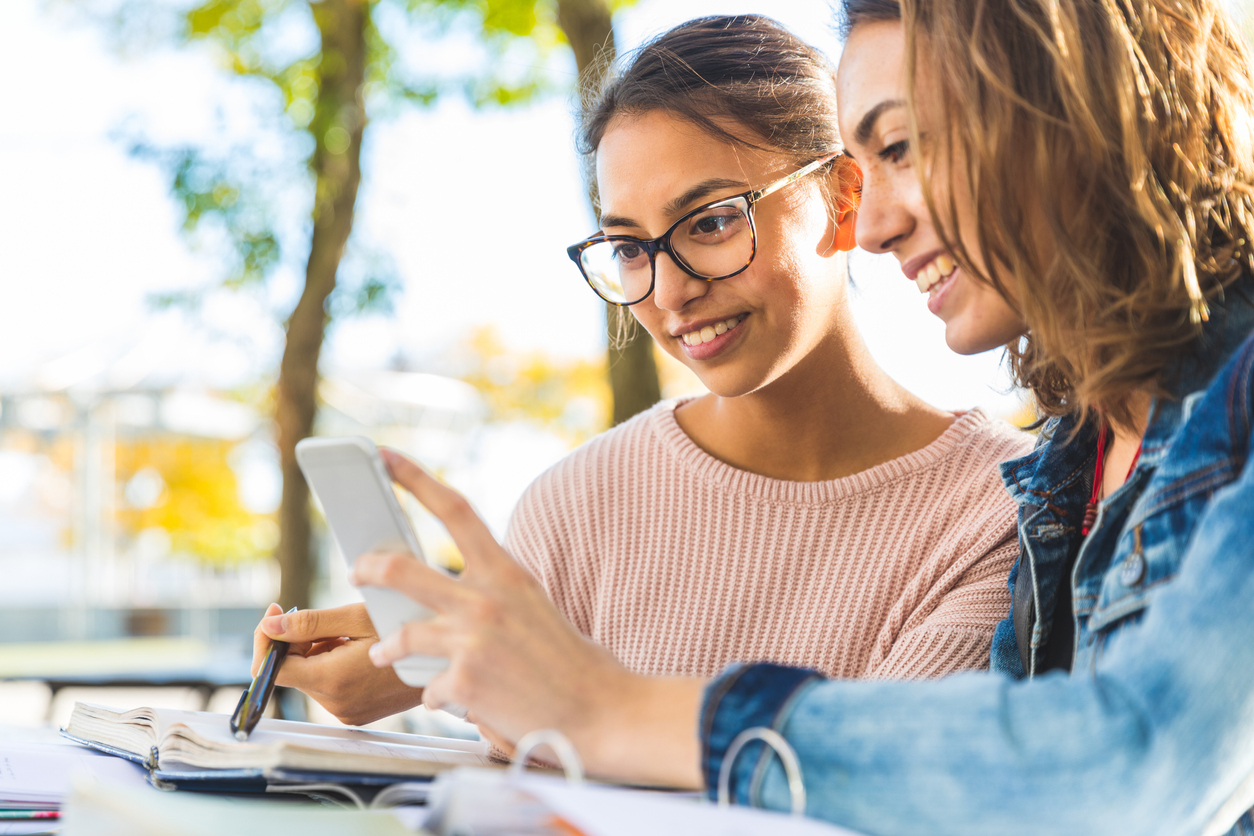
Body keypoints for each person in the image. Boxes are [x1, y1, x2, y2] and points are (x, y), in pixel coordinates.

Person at [346, 0, 1254, 832]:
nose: (882, 222)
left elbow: (1127, 767)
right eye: (627, 246)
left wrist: (605, 709)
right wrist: (460, 669)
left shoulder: (1016, 493)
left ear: (1079, 109)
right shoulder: (1070, 468)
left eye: (902, 147)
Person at [255, 15, 1032, 725]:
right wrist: (430, 664)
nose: (671, 290)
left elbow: (874, 776)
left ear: (841, 199)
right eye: (629, 248)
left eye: (714, 221)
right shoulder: (573, 510)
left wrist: (559, 693)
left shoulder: (1006, 511)